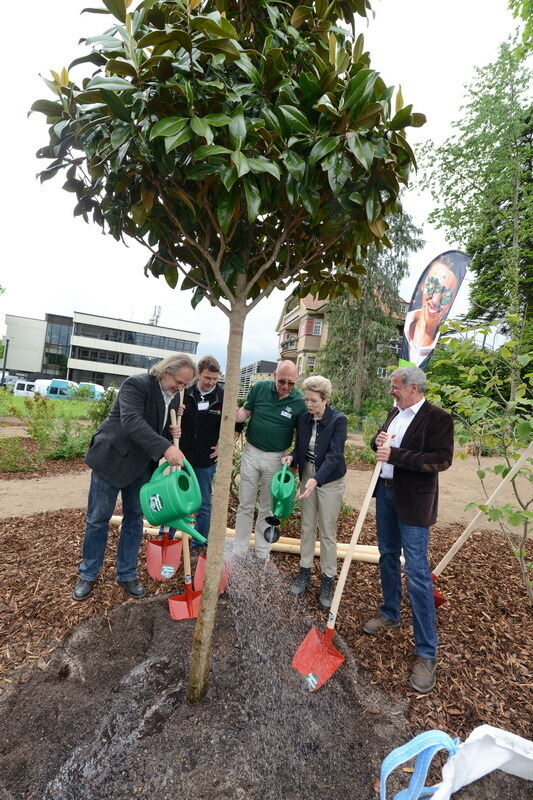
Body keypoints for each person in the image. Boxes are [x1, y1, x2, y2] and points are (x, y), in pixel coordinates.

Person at [72, 354, 196, 601]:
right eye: (179, 382)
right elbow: (132, 422)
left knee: (134, 519)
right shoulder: (136, 385)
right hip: (112, 460)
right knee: (98, 519)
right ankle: (88, 574)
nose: (181, 388)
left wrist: (171, 434)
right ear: (165, 371)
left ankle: (126, 574)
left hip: (141, 466)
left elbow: (155, 430)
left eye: (185, 385)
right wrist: (165, 447)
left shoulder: (173, 398)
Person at [364, 366, 454, 694]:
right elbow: (381, 441)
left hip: (413, 502)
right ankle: (391, 612)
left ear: (413, 387)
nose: (392, 391)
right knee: (387, 555)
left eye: (395, 387)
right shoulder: (395, 413)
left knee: (416, 572)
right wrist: (378, 440)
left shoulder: (437, 418)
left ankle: (426, 652)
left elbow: (441, 461)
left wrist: (396, 454)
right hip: (385, 494)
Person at [282, 376, 347, 610]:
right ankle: (304, 571)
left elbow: (334, 455)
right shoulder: (303, 419)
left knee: (327, 530)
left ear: (325, 399)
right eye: (306, 399)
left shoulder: (339, 420)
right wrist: (292, 457)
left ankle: (328, 578)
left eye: (314, 401)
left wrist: (316, 480)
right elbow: (300, 447)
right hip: (308, 473)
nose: (309, 405)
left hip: (329, 479)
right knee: (307, 526)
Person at [233, 360, 306, 560]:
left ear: (296, 380)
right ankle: (239, 549)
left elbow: (302, 436)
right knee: (245, 504)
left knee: (267, 507)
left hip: (277, 458)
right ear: (274, 375)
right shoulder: (259, 389)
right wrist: (232, 413)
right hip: (252, 452)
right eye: (282, 381)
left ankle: (262, 552)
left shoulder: (299, 402)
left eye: (291, 383)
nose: (285, 386)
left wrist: (294, 465)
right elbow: (244, 413)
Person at [177, 355, 243, 545]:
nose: (211, 382)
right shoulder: (185, 393)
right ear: (199, 374)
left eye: (215, 379)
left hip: (206, 459)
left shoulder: (223, 398)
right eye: (207, 378)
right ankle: (172, 537)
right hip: (182, 456)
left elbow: (237, 427)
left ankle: (198, 542)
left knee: (203, 503)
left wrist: (224, 444)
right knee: (178, 498)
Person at [404, 257, 461, 367]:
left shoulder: (441, 350)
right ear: (422, 285)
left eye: (447, 294)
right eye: (432, 286)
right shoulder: (405, 330)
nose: (435, 301)